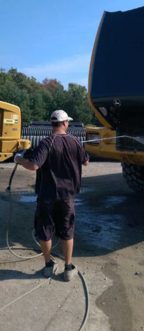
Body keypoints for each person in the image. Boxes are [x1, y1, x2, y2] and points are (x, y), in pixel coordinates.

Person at [14, 110, 89, 281]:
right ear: (65, 123)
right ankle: (68, 268)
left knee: (45, 231)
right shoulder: (75, 141)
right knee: (67, 231)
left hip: (46, 196)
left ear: (51, 124)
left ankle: (48, 266)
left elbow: (33, 165)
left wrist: (19, 159)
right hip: (67, 196)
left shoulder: (45, 143)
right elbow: (86, 161)